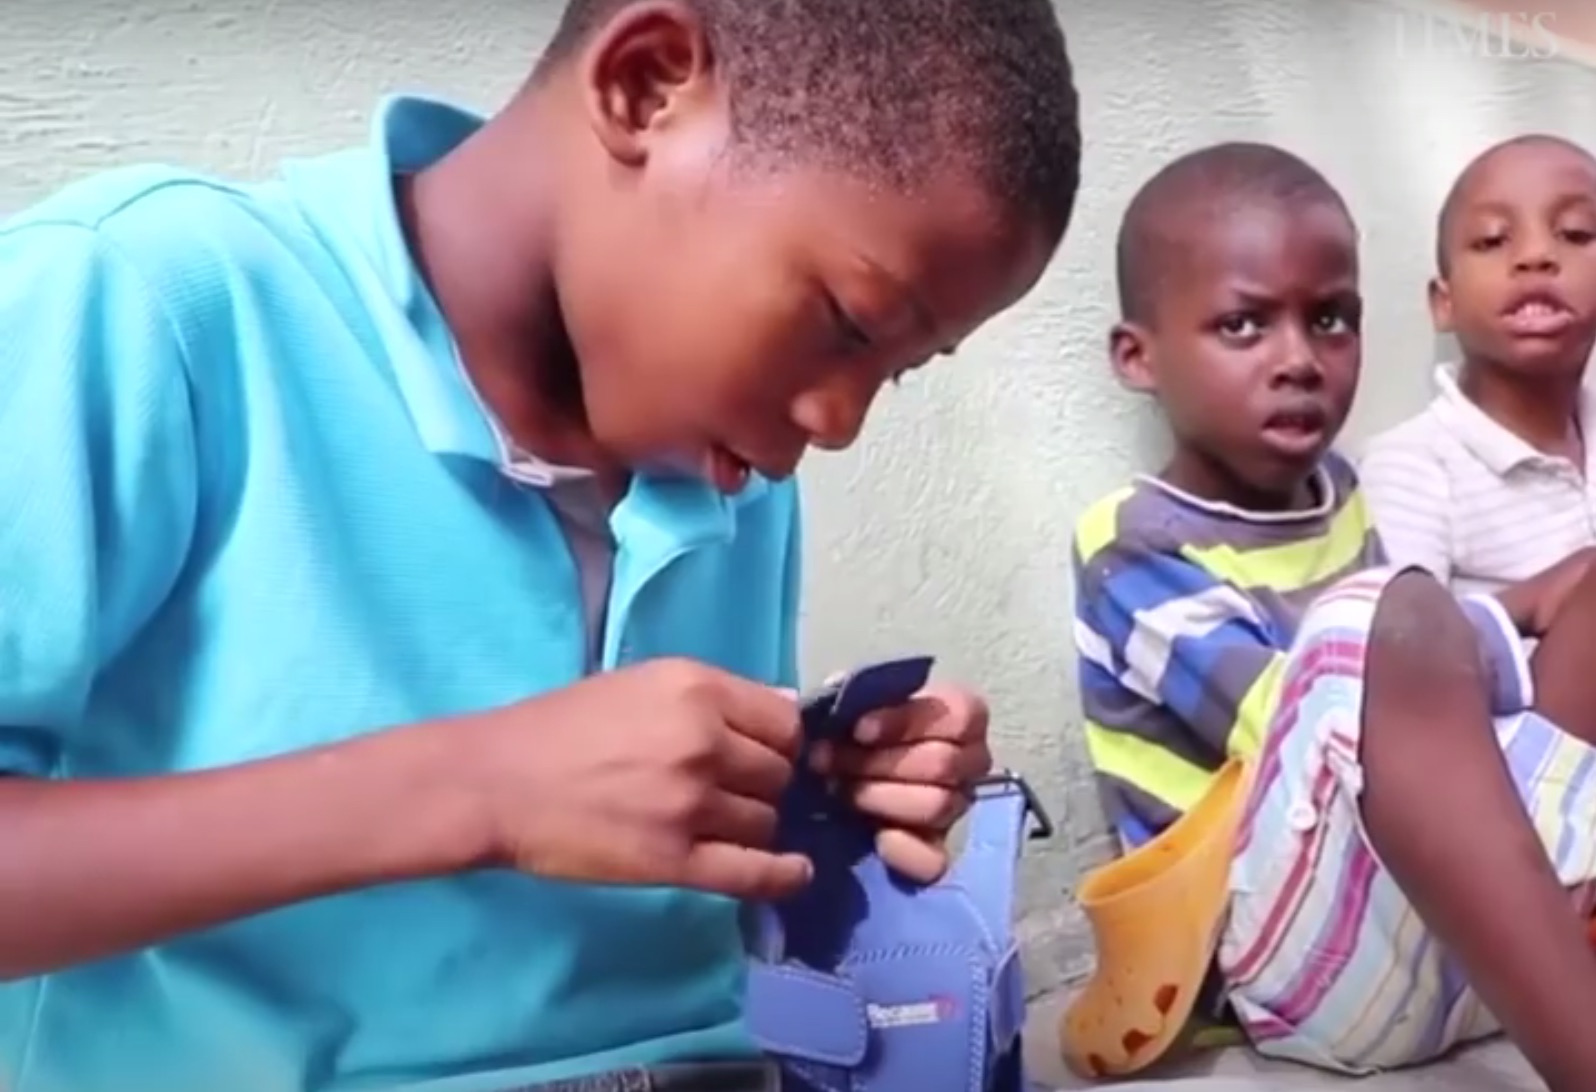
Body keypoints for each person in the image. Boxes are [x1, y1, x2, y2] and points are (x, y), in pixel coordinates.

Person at [0, 1, 1082, 1089]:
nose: (837, 422)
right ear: (645, 86)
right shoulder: (147, 303)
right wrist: (481, 788)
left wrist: (815, 782)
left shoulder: (728, 466)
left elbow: (621, 895)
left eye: (894, 373)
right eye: (849, 321)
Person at [1065, 142, 1596, 1092]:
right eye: (1242, 325)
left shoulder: (1341, 496)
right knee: (1388, 617)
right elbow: (1309, 720)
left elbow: (1422, 734)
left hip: (1436, 940)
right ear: (1137, 357)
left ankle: (1563, 914)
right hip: (1275, 974)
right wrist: (1516, 607)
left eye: (1330, 319)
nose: (1299, 360)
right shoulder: (1130, 543)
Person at [1361, 135, 1596, 603]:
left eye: (1573, 233)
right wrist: (1548, 599)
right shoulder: (1412, 467)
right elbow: (1399, 651)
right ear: (1444, 303)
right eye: (1492, 240)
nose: (1535, 257)